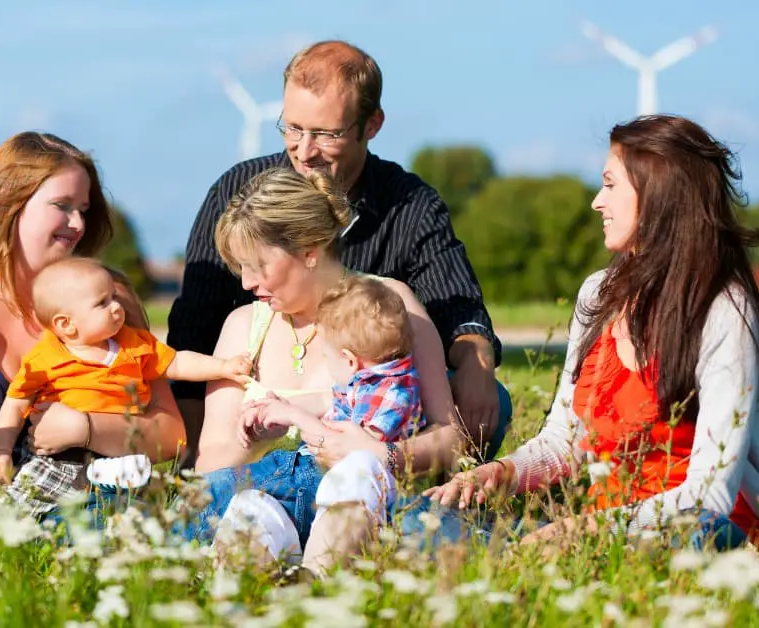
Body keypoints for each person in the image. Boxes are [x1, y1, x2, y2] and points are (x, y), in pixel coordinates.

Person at [421, 115, 759, 551]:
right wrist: (500, 473)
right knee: (417, 521)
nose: (597, 201)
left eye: (610, 185)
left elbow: (713, 495)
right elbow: (566, 440)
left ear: (658, 195)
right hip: (599, 526)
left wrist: (583, 531)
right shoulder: (598, 292)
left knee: (692, 535)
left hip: (693, 526)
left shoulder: (723, 308)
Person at [169, 40, 508, 464]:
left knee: (489, 396)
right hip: (241, 384)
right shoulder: (238, 191)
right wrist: (191, 455)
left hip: (381, 409)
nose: (305, 150)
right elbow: (194, 324)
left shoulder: (410, 205)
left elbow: (455, 305)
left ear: (372, 124)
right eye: (292, 128)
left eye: (326, 134)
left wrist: (476, 360)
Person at [183, 166, 468, 577]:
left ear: (308, 251)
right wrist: (268, 431)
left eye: (257, 265)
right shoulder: (245, 325)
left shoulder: (389, 304)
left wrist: (382, 454)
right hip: (260, 499)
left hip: (363, 502)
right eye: (239, 267)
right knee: (204, 501)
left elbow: (450, 437)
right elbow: (213, 461)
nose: (246, 282)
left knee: (436, 532)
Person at [0, 133, 187, 492]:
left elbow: (173, 437)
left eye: (84, 210)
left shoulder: (108, 298)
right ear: (9, 203)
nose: (78, 224)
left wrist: (87, 428)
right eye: (62, 205)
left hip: (86, 508)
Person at [0, 257, 252, 517]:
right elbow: (15, 403)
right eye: (102, 303)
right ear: (66, 324)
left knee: (117, 518)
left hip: (118, 455)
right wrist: (1, 451)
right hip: (60, 457)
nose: (116, 307)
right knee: (13, 515)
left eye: (113, 297)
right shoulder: (45, 359)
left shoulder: (133, 345)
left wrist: (223, 367)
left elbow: (178, 362)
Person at [227, 274, 424, 575]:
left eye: (327, 356)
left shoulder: (392, 393)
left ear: (348, 360)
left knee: (355, 467)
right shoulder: (367, 380)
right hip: (312, 483)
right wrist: (274, 405)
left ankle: (317, 574)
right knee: (249, 503)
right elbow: (328, 401)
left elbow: (348, 449)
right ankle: (243, 576)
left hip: (351, 495)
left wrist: (293, 416)